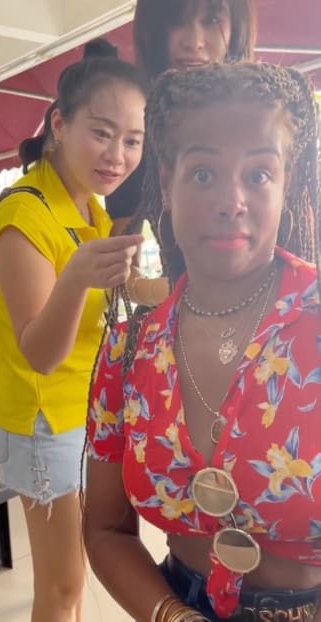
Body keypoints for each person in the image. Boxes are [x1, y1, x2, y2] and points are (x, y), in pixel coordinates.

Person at [85, 63, 321, 622]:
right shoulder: (129, 350)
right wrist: (171, 615)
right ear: (165, 181)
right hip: (176, 605)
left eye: (259, 174)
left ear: (286, 183)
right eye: (204, 174)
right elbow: (104, 528)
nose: (231, 200)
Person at [0, 39, 146, 622]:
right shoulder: (22, 213)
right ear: (59, 123)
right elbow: (39, 353)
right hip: (43, 420)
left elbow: (125, 297)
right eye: (102, 133)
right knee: (61, 586)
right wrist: (77, 278)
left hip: (89, 412)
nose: (117, 155)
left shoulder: (89, 211)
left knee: (80, 577)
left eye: (132, 140)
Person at [107, 0, 257, 307]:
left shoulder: (267, 117)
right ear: (153, 30)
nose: (194, 41)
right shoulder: (141, 135)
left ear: (237, 27)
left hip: (276, 324)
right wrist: (163, 291)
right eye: (177, 22)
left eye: (212, 19)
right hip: (183, 326)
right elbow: (120, 267)